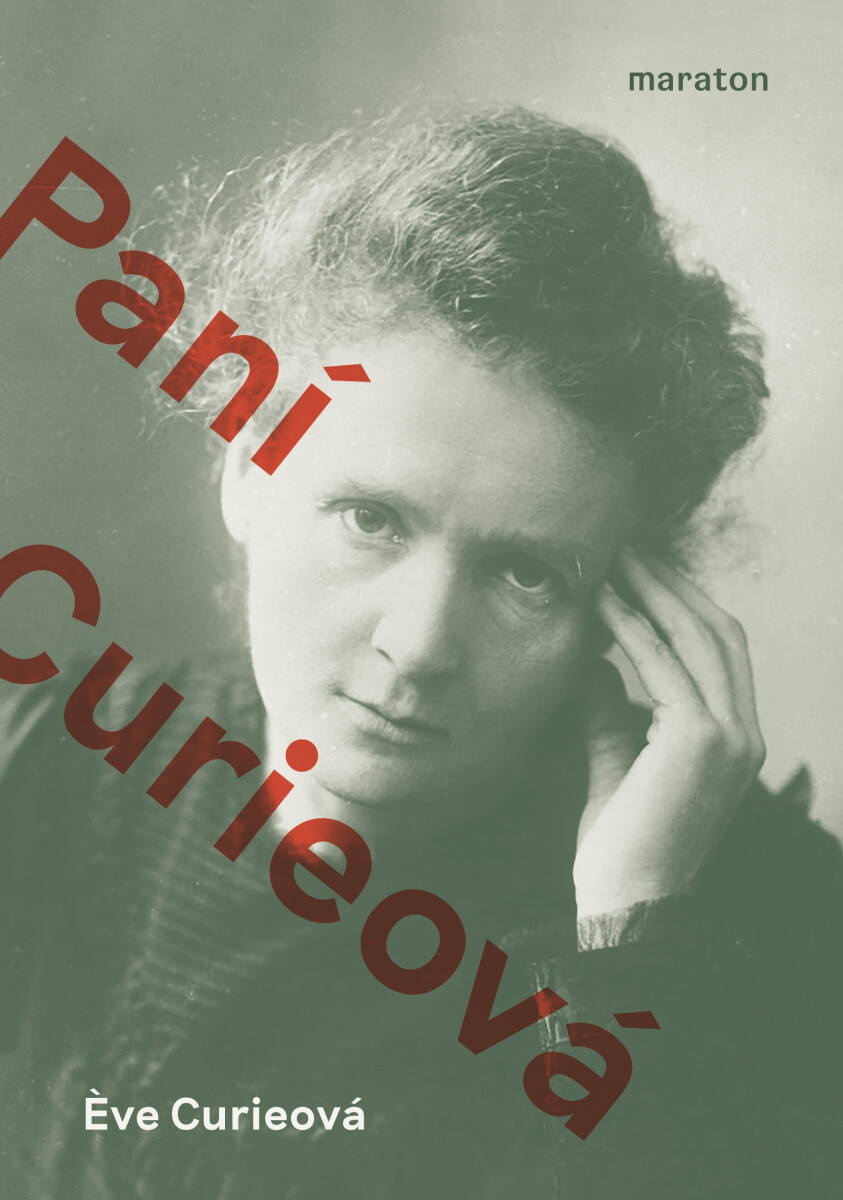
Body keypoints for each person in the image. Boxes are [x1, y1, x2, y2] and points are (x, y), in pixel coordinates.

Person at [1, 106, 840, 1199]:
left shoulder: (777, 928)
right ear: (245, 473)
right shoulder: (52, 765)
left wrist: (627, 937)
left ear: (630, 599)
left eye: (526, 573)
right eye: (370, 520)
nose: (420, 645)